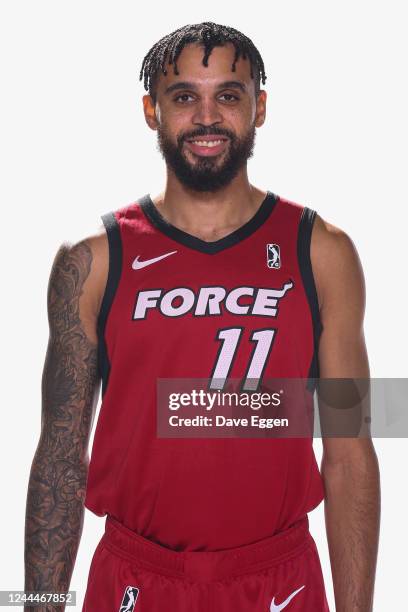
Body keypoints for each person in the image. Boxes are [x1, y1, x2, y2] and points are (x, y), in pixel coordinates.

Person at [24, 21, 380, 612]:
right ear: (151, 110)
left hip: (279, 578)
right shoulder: (91, 261)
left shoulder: (321, 252)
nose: (207, 117)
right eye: (185, 97)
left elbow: (348, 451)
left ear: (259, 107)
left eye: (229, 96)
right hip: (135, 578)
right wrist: (37, 605)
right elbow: (62, 455)